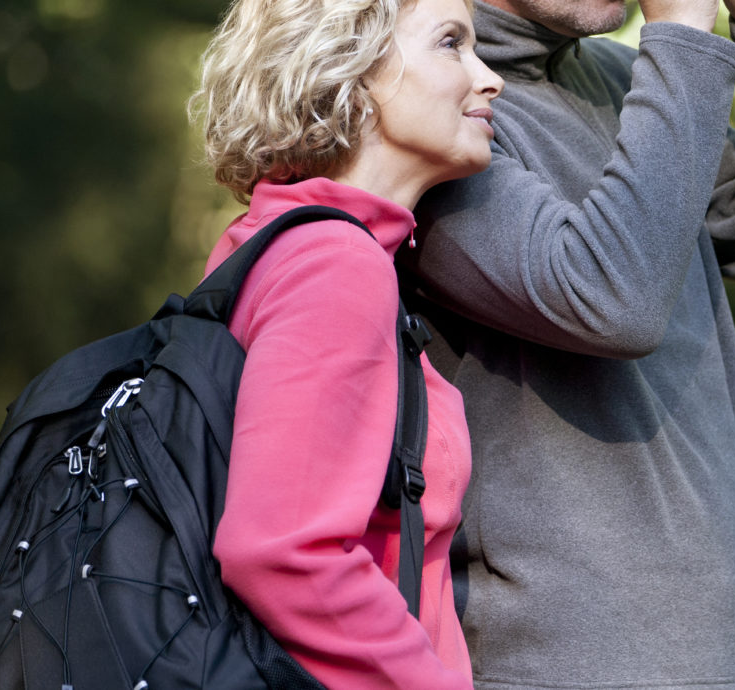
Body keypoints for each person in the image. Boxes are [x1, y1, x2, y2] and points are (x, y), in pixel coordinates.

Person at [405, 0, 735, 686]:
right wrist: (683, 38)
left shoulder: (621, 80)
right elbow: (610, 302)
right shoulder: (428, 111)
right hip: (539, 670)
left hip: (716, 662)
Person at [187, 0, 503, 686]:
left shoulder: (263, 241)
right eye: (451, 43)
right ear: (352, 73)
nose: (489, 77)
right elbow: (281, 550)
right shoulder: (336, 266)